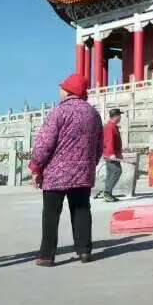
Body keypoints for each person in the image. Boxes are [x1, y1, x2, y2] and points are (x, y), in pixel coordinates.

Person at [29, 73, 103, 266]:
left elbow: (44, 143)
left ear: (69, 90)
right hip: (82, 173)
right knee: (81, 211)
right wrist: (89, 165)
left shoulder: (59, 112)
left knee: (51, 214)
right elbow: (99, 146)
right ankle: (84, 251)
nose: (59, 90)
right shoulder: (93, 114)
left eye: (62, 87)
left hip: (56, 174)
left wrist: (36, 167)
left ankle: (47, 255)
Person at [102, 108, 123, 203]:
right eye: (120, 115)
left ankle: (108, 193)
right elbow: (109, 141)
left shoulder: (113, 126)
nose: (120, 117)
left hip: (112, 153)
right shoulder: (110, 127)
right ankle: (107, 192)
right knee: (117, 171)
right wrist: (111, 154)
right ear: (116, 116)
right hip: (110, 154)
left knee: (110, 173)